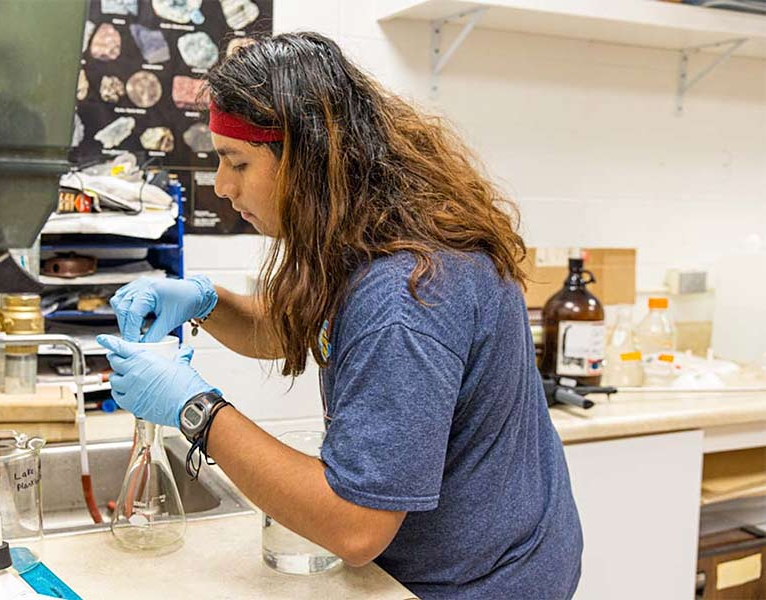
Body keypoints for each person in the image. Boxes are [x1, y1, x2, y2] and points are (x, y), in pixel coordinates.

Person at [97, 32, 583, 600]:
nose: (223, 187)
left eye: (238, 162)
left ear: (307, 159)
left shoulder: (406, 295)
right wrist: (207, 302)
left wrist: (196, 409)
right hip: (476, 557)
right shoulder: (370, 227)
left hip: (481, 585)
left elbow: (356, 526)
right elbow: (305, 327)